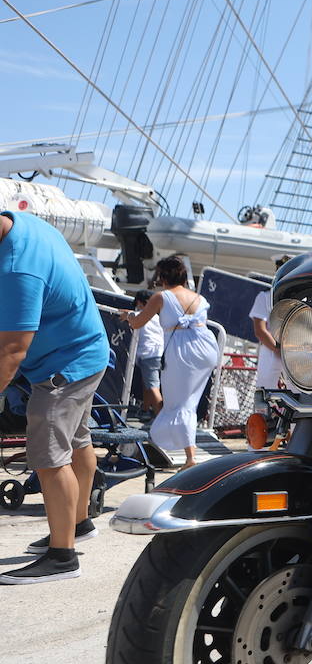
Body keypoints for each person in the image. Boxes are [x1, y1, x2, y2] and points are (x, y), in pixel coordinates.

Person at [0, 209, 109, 584]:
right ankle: (77, 523)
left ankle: (62, 557)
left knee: (48, 455)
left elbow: (11, 352)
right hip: (88, 349)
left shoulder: (17, 269)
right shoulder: (23, 223)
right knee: (78, 441)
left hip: (63, 367)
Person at [122, 256, 221, 470]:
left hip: (183, 351)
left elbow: (138, 322)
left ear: (162, 276)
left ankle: (189, 457)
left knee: (180, 403)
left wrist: (128, 316)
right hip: (206, 347)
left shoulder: (161, 297)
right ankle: (183, 448)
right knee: (187, 402)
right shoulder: (198, 297)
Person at [132, 288, 164, 415]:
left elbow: (130, 316)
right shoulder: (157, 317)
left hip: (148, 354)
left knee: (152, 386)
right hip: (158, 353)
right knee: (148, 383)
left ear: (140, 302)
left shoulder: (139, 314)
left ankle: (161, 418)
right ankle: (145, 409)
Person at [248, 284, 282, 392]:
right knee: (265, 393)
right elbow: (260, 331)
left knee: (299, 394)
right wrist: (277, 349)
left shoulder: (303, 297)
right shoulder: (265, 296)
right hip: (272, 349)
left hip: (295, 351)